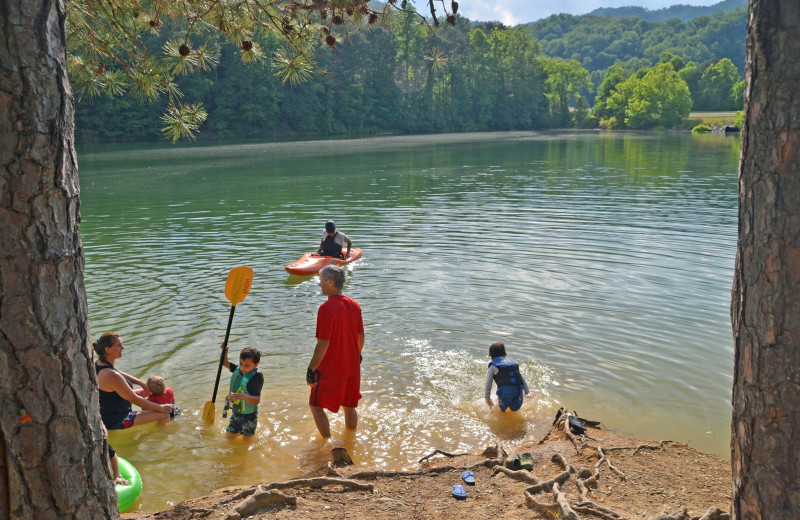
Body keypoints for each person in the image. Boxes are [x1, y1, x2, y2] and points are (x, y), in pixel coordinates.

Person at [306, 265, 364, 439]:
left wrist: (311, 369)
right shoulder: (354, 305)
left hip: (331, 368)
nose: (319, 284)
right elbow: (361, 335)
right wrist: (357, 355)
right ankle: (350, 440)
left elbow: (322, 344)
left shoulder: (326, 309)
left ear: (330, 282)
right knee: (349, 405)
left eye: (321, 280)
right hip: (352, 366)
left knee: (315, 405)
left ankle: (328, 443)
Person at [93, 332, 174, 430]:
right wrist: (162, 408)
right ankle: (158, 437)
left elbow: (119, 373)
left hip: (109, 409)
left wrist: (140, 382)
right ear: (107, 349)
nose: (123, 348)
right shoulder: (111, 375)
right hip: (117, 420)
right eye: (119, 346)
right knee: (164, 415)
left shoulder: (100, 364)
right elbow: (134, 399)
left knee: (143, 392)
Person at [220, 345, 263, 436]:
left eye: (247, 365)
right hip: (236, 415)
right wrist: (225, 351)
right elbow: (224, 362)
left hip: (249, 418)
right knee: (229, 437)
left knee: (245, 443)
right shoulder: (238, 370)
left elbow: (256, 400)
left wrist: (242, 396)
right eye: (241, 364)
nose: (243, 368)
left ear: (256, 365)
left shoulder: (255, 379)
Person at [485, 341, 531, 412]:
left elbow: (489, 381)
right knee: (514, 409)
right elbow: (521, 378)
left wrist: (487, 397)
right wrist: (527, 392)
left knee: (502, 410)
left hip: (505, 390)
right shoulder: (513, 364)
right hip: (518, 388)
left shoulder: (493, 366)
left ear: (491, 356)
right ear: (505, 354)